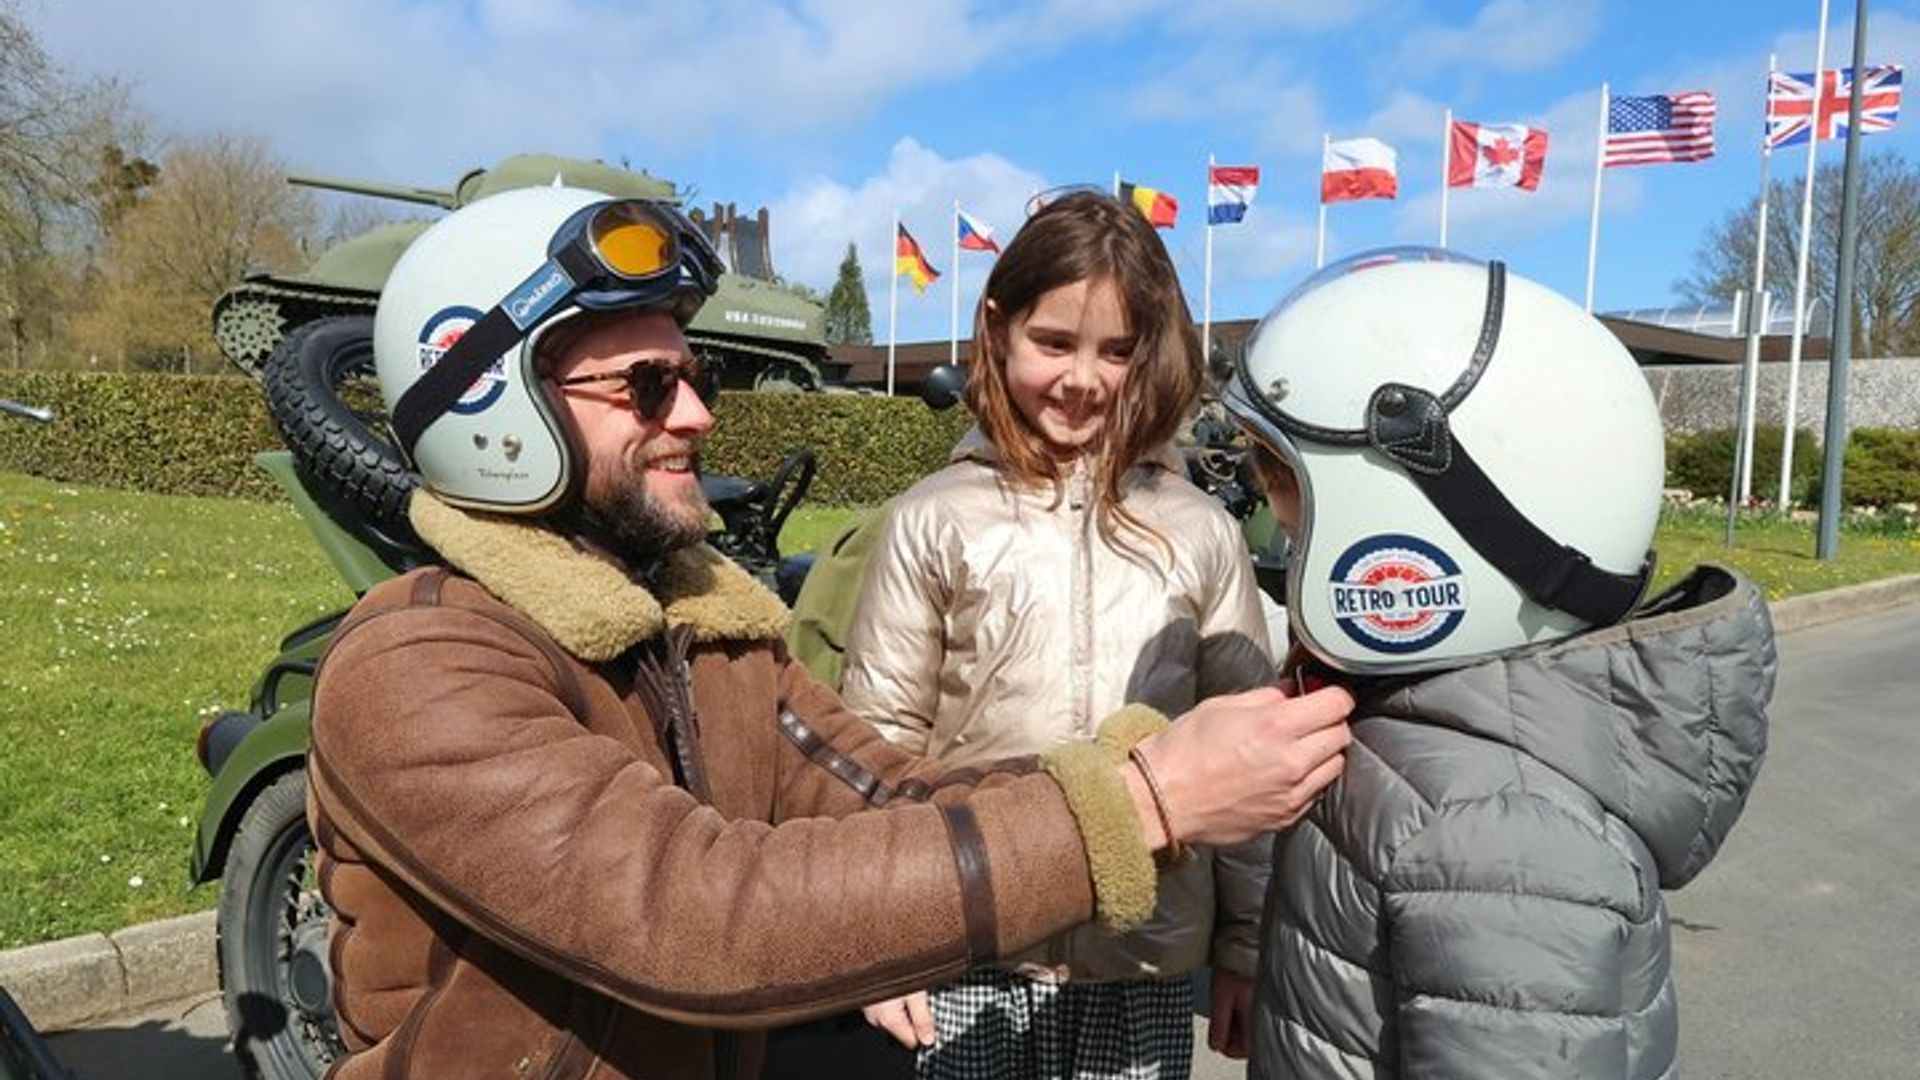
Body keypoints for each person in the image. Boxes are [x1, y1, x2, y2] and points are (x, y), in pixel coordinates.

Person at [303, 184, 1357, 1080]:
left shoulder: (709, 640)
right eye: (647, 385)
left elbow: (892, 799)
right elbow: (700, 917)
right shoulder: (421, 664)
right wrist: (1143, 803)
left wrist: (1155, 789)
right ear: (495, 405)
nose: (698, 415)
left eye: (695, 378)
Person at [1218, 249, 1774, 1079]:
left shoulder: (1499, 840)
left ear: (1430, 504)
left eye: (1281, 473)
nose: (1272, 510)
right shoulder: (1426, 741)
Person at [839, 191, 1273, 1078]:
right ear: (998, 328)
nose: (1085, 379)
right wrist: (880, 943)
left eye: (1118, 351)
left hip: (1143, 953)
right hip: (972, 944)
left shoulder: (1200, 532)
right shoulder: (933, 519)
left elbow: (1248, 754)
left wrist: (1246, 947)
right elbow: (874, 748)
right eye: (1053, 344)